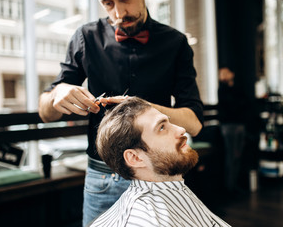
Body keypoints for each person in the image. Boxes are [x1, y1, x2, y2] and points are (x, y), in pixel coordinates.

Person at [38, 0, 203, 226]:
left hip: (160, 175)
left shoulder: (176, 43)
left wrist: (141, 108)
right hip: (103, 177)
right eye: (107, 3)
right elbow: (45, 113)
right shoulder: (85, 37)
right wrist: (57, 94)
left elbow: (194, 123)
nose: (119, 13)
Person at [90, 97, 230, 227]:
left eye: (169, 122)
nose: (181, 129)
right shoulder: (145, 220)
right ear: (135, 158)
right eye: (162, 127)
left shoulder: (172, 188)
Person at [217, 67, 247, 192]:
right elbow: (232, 105)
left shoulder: (238, 87)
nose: (222, 76)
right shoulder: (222, 89)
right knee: (231, 156)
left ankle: (234, 184)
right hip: (229, 126)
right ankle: (230, 187)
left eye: (225, 73)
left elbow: (244, 103)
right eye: (221, 74)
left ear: (232, 74)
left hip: (239, 124)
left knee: (238, 155)